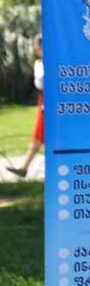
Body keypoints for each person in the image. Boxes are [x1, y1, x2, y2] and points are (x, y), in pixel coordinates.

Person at [7, 34, 44, 178]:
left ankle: (24, 168)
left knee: (39, 136)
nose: (34, 48)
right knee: (38, 136)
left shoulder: (49, 62)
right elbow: (39, 83)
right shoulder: (39, 63)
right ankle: (24, 168)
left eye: (36, 45)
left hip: (49, 101)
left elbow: (42, 81)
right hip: (43, 99)